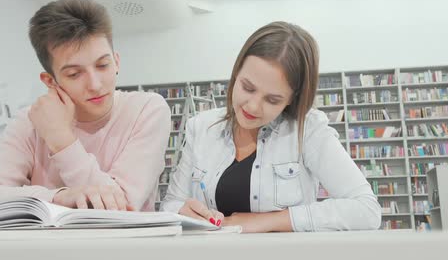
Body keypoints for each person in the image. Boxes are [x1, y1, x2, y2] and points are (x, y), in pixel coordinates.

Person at [0, 0, 170, 215]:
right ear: (50, 81)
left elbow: (121, 207)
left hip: (126, 248)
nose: (95, 85)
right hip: (46, 249)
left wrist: (61, 139)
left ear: (116, 62)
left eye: (103, 65)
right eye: (74, 74)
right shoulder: (30, 121)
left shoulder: (148, 109)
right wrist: (57, 197)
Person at [161, 21, 381, 232]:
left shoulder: (308, 130)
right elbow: (170, 205)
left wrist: (268, 221)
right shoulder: (201, 127)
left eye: (273, 100)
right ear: (236, 72)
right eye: (247, 87)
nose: (253, 106)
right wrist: (182, 211)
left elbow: (367, 210)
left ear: (291, 99)